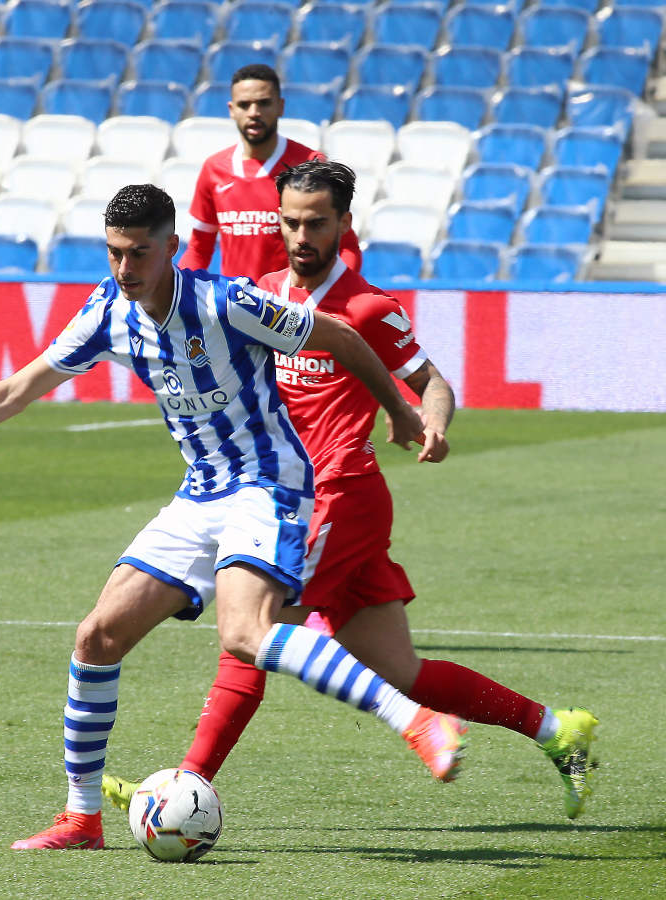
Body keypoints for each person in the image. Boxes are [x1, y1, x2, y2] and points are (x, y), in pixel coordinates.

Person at [0, 184, 467, 851]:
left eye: (137, 254)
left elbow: (335, 332)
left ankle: (417, 720)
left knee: (245, 633)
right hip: (199, 493)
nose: (124, 269)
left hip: (267, 484)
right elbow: (19, 388)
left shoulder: (224, 301)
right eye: (113, 254)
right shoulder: (108, 312)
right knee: (96, 638)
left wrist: (395, 409)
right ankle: (81, 819)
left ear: (171, 249)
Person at [103, 160, 600, 822]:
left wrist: (432, 423)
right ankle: (556, 731)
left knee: (251, 631)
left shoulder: (366, 308)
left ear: (343, 223)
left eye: (314, 222)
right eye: (289, 222)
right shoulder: (258, 291)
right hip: (288, 495)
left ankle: (181, 788)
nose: (299, 235)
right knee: (402, 671)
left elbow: (431, 383)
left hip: (338, 492)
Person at [179, 63, 362, 278]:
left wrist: (336, 295)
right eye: (244, 105)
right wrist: (182, 290)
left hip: (292, 307)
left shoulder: (310, 165)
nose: (254, 113)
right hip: (237, 307)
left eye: (263, 103)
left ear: (280, 106)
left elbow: (347, 246)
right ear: (231, 110)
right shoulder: (214, 169)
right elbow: (199, 248)